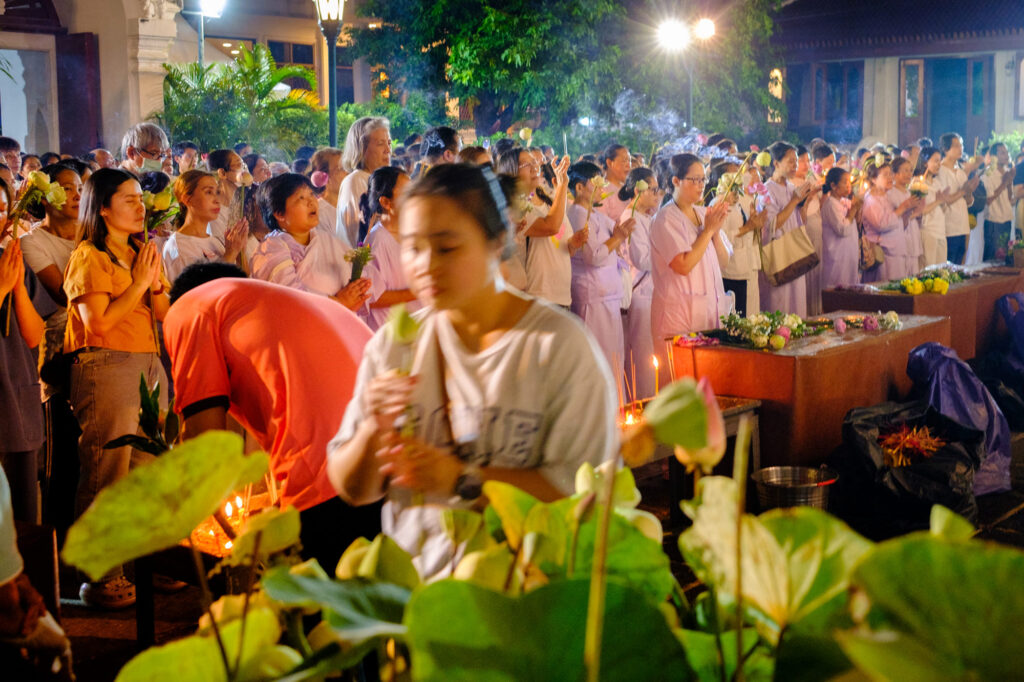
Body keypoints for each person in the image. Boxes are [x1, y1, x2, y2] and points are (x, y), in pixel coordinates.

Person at [327, 163, 617, 580]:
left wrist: (460, 479)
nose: (425, 265)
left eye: (446, 248)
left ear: (497, 241)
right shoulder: (395, 345)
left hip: (527, 592)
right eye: (412, 247)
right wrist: (374, 427)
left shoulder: (558, 346)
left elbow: (582, 496)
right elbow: (352, 488)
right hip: (417, 593)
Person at [163, 262, 378, 571]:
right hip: (401, 456)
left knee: (321, 598)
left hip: (331, 478)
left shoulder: (188, 307)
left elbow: (205, 441)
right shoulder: (296, 303)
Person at [63, 168, 170, 608]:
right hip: (107, 363)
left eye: (141, 198)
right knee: (108, 468)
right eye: (128, 199)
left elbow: (163, 311)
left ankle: (147, 562)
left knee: (148, 467)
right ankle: (101, 575)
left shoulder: (141, 251)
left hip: (148, 361)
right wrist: (141, 283)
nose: (139, 206)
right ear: (103, 208)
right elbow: (99, 324)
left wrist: (154, 282)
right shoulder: (90, 256)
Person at [18, 164, 83, 535]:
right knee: (63, 452)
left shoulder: (93, 232)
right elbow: (63, 294)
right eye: (67, 188)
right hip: (59, 351)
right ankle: (59, 543)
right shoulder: (33, 241)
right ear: (44, 198)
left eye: (80, 188)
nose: (76, 195)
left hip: (104, 343)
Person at [650, 153, 732, 381]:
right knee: (681, 384)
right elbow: (683, 265)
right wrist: (708, 231)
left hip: (709, 314)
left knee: (710, 383)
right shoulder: (665, 219)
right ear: (676, 181)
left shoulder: (704, 213)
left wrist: (715, 232)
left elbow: (724, 262)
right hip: (679, 317)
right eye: (694, 180)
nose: (700, 185)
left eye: (703, 179)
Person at [251, 173, 370, 310]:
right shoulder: (271, 249)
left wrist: (356, 291)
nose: (311, 202)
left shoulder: (327, 240)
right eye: (301, 198)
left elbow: (360, 281)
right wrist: (339, 302)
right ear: (279, 214)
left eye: (311, 194)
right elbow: (290, 297)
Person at [0, 214, 51, 523]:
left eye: (3, 209)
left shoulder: (11, 262)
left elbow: (33, 335)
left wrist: (18, 287)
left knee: (21, 512)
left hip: (16, 391)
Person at [566, 161, 634, 386]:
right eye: (596, 183)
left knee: (614, 361)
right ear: (579, 188)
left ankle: (617, 407)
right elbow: (593, 256)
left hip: (607, 297)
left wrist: (619, 233)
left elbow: (614, 234)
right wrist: (617, 238)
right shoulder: (578, 214)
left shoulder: (594, 213)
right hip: (592, 298)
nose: (602, 188)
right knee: (599, 365)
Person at [495, 148, 573, 307]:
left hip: (561, 292)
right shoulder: (516, 206)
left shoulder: (548, 199)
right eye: (526, 164)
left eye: (535, 162)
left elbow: (563, 238)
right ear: (511, 172)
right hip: (538, 294)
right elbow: (551, 226)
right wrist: (562, 185)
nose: (534, 167)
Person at [618, 167, 662, 398]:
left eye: (657, 190)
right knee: (643, 355)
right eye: (652, 190)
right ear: (637, 191)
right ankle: (644, 403)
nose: (657, 195)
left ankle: (652, 399)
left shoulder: (645, 216)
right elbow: (641, 259)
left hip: (651, 291)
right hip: (641, 293)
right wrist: (667, 254)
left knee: (652, 352)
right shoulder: (631, 217)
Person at [758, 142, 816, 317]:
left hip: (794, 253)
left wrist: (806, 202)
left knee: (797, 305)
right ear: (776, 163)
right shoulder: (766, 190)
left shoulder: (792, 188)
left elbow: (799, 222)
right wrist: (794, 201)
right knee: (779, 305)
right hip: (779, 255)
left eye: (796, 161)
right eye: (790, 161)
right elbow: (772, 224)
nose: (795, 165)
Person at [162, 170, 249, 282]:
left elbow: (244, 279)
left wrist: (239, 251)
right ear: (187, 199)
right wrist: (230, 253)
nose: (217, 200)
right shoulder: (179, 246)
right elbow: (201, 289)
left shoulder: (214, 241)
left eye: (217, 192)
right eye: (208, 192)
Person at [359, 167, 417, 331]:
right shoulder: (377, 241)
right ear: (385, 202)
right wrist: (417, 291)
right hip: (390, 332)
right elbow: (371, 298)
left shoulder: (413, 231)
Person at [713, 159, 765, 317]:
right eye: (734, 174)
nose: (740, 178)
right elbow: (719, 237)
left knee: (750, 312)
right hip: (732, 270)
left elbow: (749, 229)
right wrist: (747, 228)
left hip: (746, 265)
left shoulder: (738, 201)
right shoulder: (718, 203)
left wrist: (755, 224)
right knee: (738, 316)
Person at [336, 117, 391, 246]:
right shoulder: (356, 181)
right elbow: (362, 235)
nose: (388, 150)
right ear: (361, 148)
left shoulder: (380, 180)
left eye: (389, 143)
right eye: (380, 144)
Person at [861, 159, 916, 281]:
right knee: (886, 288)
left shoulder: (886, 196)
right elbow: (881, 224)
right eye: (885, 175)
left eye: (891, 173)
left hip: (896, 250)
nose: (890, 177)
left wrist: (907, 212)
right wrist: (902, 208)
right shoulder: (871, 200)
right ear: (874, 179)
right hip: (883, 253)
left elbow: (900, 224)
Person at [937, 133, 981, 265]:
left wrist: (970, 191)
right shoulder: (940, 170)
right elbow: (944, 200)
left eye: (961, 145)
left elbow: (969, 202)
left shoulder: (961, 171)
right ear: (945, 149)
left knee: (960, 266)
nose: (960, 148)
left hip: (963, 225)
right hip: (948, 226)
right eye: (956, 146)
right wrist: (963, 190)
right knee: (948, 266)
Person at [820, 167, 862, 288]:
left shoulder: (844, 201)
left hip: (848, 255)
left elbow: (855, 223)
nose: (848, 185)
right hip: (837, 258)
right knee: (839, 290)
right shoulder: (830, 204)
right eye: (845, 182)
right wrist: (853, 210)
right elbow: (842, 230)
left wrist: (858, 208)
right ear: (833, 186)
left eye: (849, 182)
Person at [915, 147, 948, 266]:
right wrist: (938, 201)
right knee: (928, 270)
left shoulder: (937, 183)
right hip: (928, 231)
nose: (939, 164)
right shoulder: (917, 183)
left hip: (941, 231)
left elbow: (943, 209)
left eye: (940, 161)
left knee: (941, 270)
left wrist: (943, 202)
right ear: (925, 162)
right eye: (935, 161)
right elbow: (919, 211)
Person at [889, 157, 924, 272]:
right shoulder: (891, 193)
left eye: (910, 170)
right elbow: (895, 217)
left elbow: (916, 215)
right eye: (905, 170)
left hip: (912, 234)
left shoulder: (910, 193)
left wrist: (919, 213)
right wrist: (910, 212)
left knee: (913, 271)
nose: (909, 174)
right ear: (894, 173)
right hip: (900, 237)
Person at [982, 142, 1016, 260]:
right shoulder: (988, 173)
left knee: (1004, 257)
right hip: (993, 220)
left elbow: (1010, 198)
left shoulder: (1007, 171)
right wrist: (1004, 183)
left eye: (1007, 152)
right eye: (1002, 153)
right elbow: (988, 200)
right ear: (994, 157)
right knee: (992, 259)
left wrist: (1009, 182)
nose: (1007, 155)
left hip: (1006, 218)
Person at [309, 147, 348, 242]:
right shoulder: (319, 213)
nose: (347, 173)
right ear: (324, 177)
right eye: (342, 168)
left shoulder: (352, 206)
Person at [598, 144, 631, 220]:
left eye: (629, 161)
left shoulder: (627, 188)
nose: (628, 165)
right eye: (624, 160)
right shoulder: (601, 190)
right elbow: (602, 222)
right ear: (609, 163)